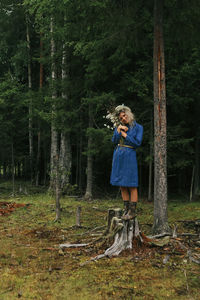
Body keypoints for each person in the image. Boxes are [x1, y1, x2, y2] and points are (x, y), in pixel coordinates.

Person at [110, 105, 143, 220]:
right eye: (121, 118)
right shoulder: (119, 126)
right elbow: (114, 141)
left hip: (130, 155)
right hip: (119, 154)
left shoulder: (138, 127)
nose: (123, 119)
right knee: (122, 183)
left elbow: (137, 143)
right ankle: (126, 209)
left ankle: (132, 211)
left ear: (129, 114)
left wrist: (125, 135)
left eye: (124, 116)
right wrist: (118, 131)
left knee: (131, 183)